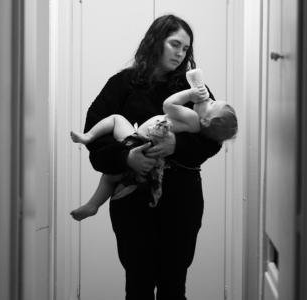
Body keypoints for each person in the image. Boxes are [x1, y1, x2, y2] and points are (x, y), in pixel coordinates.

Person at [80, 14, 223, 300]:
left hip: (182, 197)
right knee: (138, 287)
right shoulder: (121, 84)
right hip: (132, 198)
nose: (181, 53)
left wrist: (176, 145)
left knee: (173, 288)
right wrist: (126, 158)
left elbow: (214, 139)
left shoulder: (194, 90)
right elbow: (94, 142)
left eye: (186, 48)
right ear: (156, 42)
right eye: (175, 44)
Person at [70, 84, 237, 221]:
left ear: (206, 120)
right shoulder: (195, 125)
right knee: (110, 176)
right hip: (144, 148)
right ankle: (93, 205)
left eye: (212, 104)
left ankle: (88, 136)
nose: (209, 98)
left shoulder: (193, 118)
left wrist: (190, 94)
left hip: (139, 141)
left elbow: (168, 105)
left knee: (116, 119)